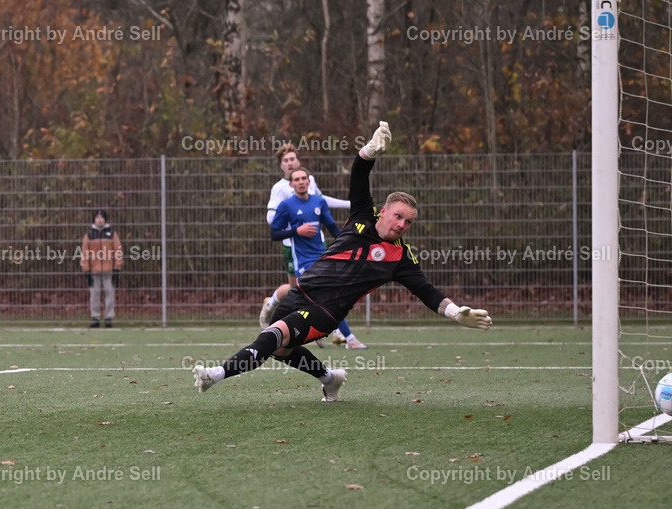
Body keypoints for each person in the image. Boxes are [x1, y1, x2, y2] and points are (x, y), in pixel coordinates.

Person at [193, 121, 493, 401]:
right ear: (384, 211)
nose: (402, 224)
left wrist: (456, 313)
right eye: (398, 216)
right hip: (303, 291)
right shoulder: (363, 214)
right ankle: (329, 378)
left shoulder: (401, 257)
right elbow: (360, 174)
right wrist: (369, 151)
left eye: (408, 222)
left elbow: (427, 292)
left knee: (274, 335)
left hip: (326, 310)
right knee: (281, 349)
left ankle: (214, 375)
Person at [270, 166, 366, 349]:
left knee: (321, 299)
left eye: (303, 178)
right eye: (296, 179)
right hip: (303, 261)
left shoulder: (318, 202)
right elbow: (274, 234)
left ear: (309, 181)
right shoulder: (286, 205)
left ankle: (295, 329)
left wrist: (347, 244)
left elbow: (331, 226)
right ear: (291, 184)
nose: (300, 182)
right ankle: (349, 338)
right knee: (325, 297)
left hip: (321, 256)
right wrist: (296, 231)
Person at [259, 143, 351, 332]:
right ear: (281, 165)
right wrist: (296, 230)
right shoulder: (280, 189)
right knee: (298, 289)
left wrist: (348, 204)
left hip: (317, 242)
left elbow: (320, 202)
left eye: (292, 159)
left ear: (299, 161)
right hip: (292, 245)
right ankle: (274, 306)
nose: (290, 163)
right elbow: (271, 219)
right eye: (285, 160)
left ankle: (334, 331)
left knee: (317, 287)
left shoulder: (308, 180)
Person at [80, 209, 123, 328]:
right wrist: (86, 269)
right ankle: (95, 317)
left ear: (105, 219)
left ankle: (108, 318)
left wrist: (117, 267)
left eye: (102, 217)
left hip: (109, 270)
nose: (99, 220)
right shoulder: (89, 235)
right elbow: (85, 253)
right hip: (94, 270)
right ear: (94, 219)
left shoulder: (112, 234)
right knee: (94, 294)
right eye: (97, 217)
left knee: (109, 293)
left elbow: (117, 250)